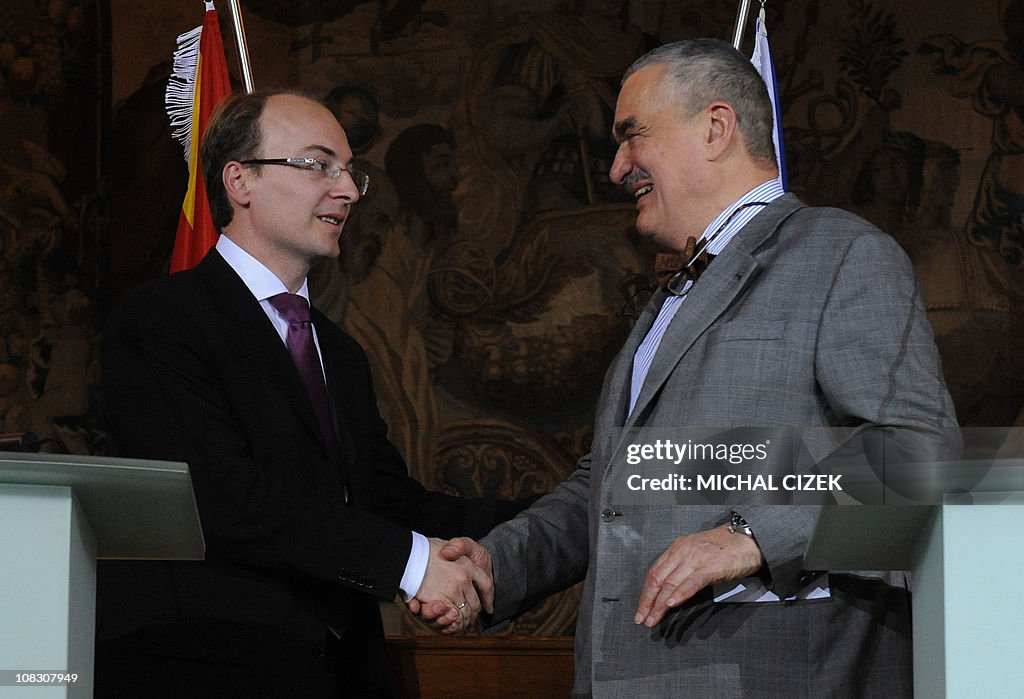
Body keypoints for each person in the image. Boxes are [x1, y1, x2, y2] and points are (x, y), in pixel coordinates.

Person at [419, 39, 961, 696]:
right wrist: (496, 564)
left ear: (715, 127)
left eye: (632, 136)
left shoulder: (841, 253)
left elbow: (919, 458)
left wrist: (751, 535)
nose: (617, 167)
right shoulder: (668, 296)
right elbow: (613, 484)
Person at [96, 90, 519, 697]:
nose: (346, 190)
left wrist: (572, 511)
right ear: (240, 181)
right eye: (319, 165)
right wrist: (411, 564)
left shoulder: (339, 352)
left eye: (350, 172)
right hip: (207, 670)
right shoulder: (161, 321)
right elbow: (222, 500)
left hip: (343, 676)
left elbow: (388, 507)